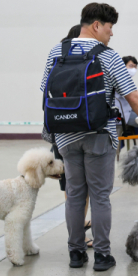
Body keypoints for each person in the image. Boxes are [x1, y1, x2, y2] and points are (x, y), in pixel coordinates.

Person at [41, 3, 138, 271]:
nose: (111, 34)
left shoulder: (56, 51)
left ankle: (76, 254)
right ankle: (101, 256)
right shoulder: (108, 56)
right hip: (99, 135)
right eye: (110, 28)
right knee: (100, 196)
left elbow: (45, 91)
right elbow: (133, 97)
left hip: (65, 136)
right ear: (96, 25)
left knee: (75, 195)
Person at [51, 24, 93, 247]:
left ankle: (75, 234)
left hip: (59, 133)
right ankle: (77, 237)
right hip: (78, 133)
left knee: (71, 191)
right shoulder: (84, 63)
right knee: (79, 192)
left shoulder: (58, 60)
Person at [115, 56, 138, 143]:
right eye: (131, 66)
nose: (134, 69)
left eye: (135, 67)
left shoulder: (126, 79)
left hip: (125, 111)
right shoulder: (119, 79)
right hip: (118, 116)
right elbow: (132, 98)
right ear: (122, 66)